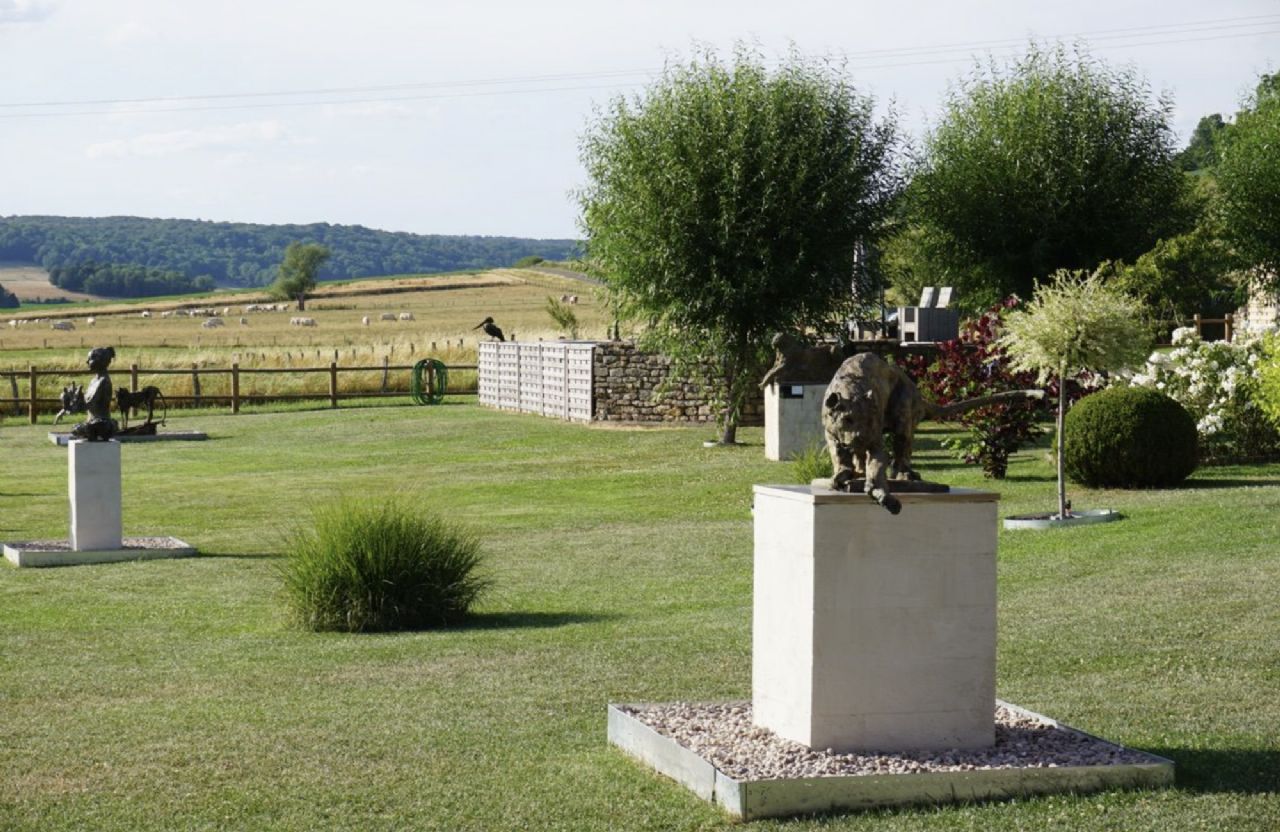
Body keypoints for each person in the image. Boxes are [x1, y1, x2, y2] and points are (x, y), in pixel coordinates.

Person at [70, 346, 118, 441]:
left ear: (100, 361)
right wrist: (76, 398)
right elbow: (84, 406)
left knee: (81, 429)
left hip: (101, 424)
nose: (87, 362)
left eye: (90, 359)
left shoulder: (104, 381)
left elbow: (90, 405)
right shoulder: (94, 381)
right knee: (77, 429)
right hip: (92, 421)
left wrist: (77, 400)